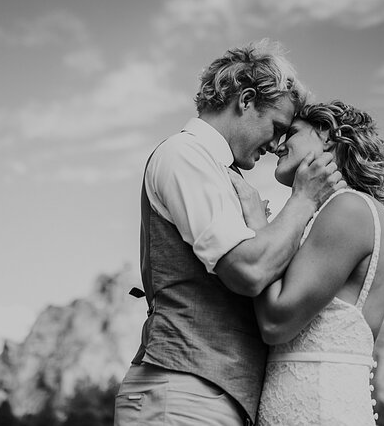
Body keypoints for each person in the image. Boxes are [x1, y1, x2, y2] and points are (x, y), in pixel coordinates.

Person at [114, 40, 345, 426]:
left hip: (206, 396)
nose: (276, 145)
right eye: (277, 128)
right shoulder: (184, 155)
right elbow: (248, 271)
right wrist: (304, 200)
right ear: (246, 100)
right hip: (182, 395)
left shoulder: (220, 171)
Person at [231, 100, 384, 426]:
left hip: (320, 412)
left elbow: (275, 322)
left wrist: (257, 224)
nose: (278, 146)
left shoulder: (349, 209)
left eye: (291, 133)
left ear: (326, 134)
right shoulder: (329, 215)